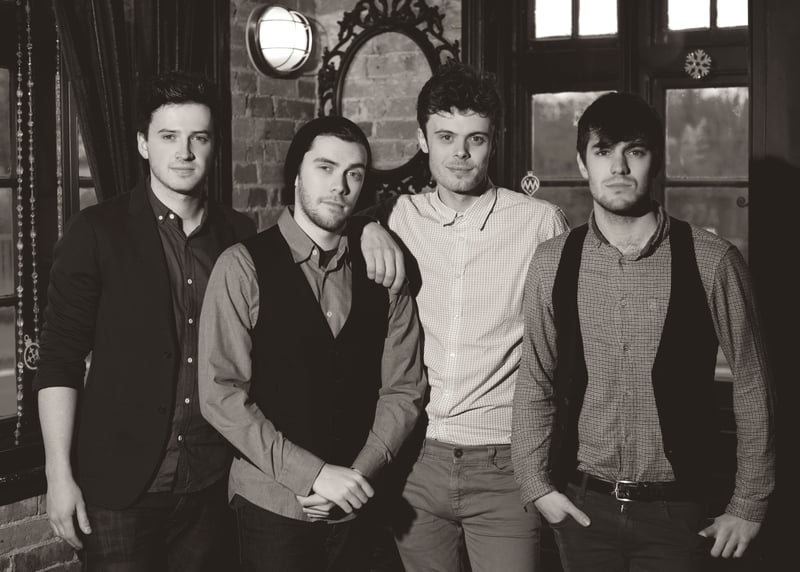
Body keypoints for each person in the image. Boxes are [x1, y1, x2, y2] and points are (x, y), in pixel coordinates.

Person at [511, 91, 775, 572]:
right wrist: (536, 484)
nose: (618, 167)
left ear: (657, 160)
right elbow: (535, 379)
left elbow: (754, 384)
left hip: (679, 514)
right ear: (582, 162)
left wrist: (749, 505)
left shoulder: (713, 260)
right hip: (582, 509)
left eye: (634, 151)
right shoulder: (552, 261)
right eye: (602, 151)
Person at [34, 71, 256, 570]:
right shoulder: (96, 231)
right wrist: (58, 475)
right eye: (169, 136)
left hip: (212, 485)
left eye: (199, 138)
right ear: (142, 143)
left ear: (213, 145)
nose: (185, 152)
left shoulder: (239, 234)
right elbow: (60, 360)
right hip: (119, 489)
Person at [359, 61, 568, 571]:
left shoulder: (539, 222)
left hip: (506, 461)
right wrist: (365, 227)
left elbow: (568, 342)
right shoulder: (399, 217)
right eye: (446, 137)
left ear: (493, 142)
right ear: (422, 140)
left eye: (476, 139)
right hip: (417, 458)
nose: (460, 153)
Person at [197, 115, 427, 572]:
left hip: (359, 503)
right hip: (271, 503)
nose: (340, 186)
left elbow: (405, 389)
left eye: (354, 173)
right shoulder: (242, 266)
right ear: (296, 175)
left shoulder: (385, 270)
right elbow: (220, 394)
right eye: (325, 168)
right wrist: (315, 475)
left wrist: (357, 476)